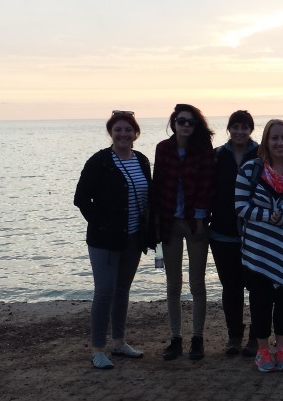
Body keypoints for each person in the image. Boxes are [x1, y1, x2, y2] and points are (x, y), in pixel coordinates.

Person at [74, 111, 154, 369]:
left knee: (122, 291)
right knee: (104, 292)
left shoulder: (141, 160)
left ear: (135, 133)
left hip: (133, 238)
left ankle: (119, 342)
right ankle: (98, 349)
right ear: (111, 132)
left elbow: (147, 196)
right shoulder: (100, 161)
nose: (123, 134)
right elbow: (81, 198)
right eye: (118, 130)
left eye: (128, 130)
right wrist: (100, 224)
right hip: (104, 240)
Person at [234, 119, 283, 372]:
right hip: (259, 250)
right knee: (260, 301)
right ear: (266, 141)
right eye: (274, 138)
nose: (280, 142)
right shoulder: (249, 170)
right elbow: (240, 207)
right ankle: (263, 351)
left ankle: (282, 349)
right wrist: (268, 216)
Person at [151, 104, 215, 361]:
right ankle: (175, 338)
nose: (186, 125)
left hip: (195, 222)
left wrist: (200, 217)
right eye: (181, 121)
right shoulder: (163, 148)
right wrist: (155, 224)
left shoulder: (203, 149)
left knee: (197, 284)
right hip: (169, 223)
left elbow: (207, 185)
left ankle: (197, 338)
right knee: (173, 284)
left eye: (190, 122)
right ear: (173, 122)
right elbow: (158, 184)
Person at [208, 110, 259, 357]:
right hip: (222, 231)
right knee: (231, 287)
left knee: (258, 286)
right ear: (229, 129)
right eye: (235, 127)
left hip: (256, 233)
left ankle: (255, 337)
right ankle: (234, 336)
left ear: (251, 129)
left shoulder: (261, 154)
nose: (240, 131)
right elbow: (208, 190)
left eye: (244, 127)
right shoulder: (218, 155)